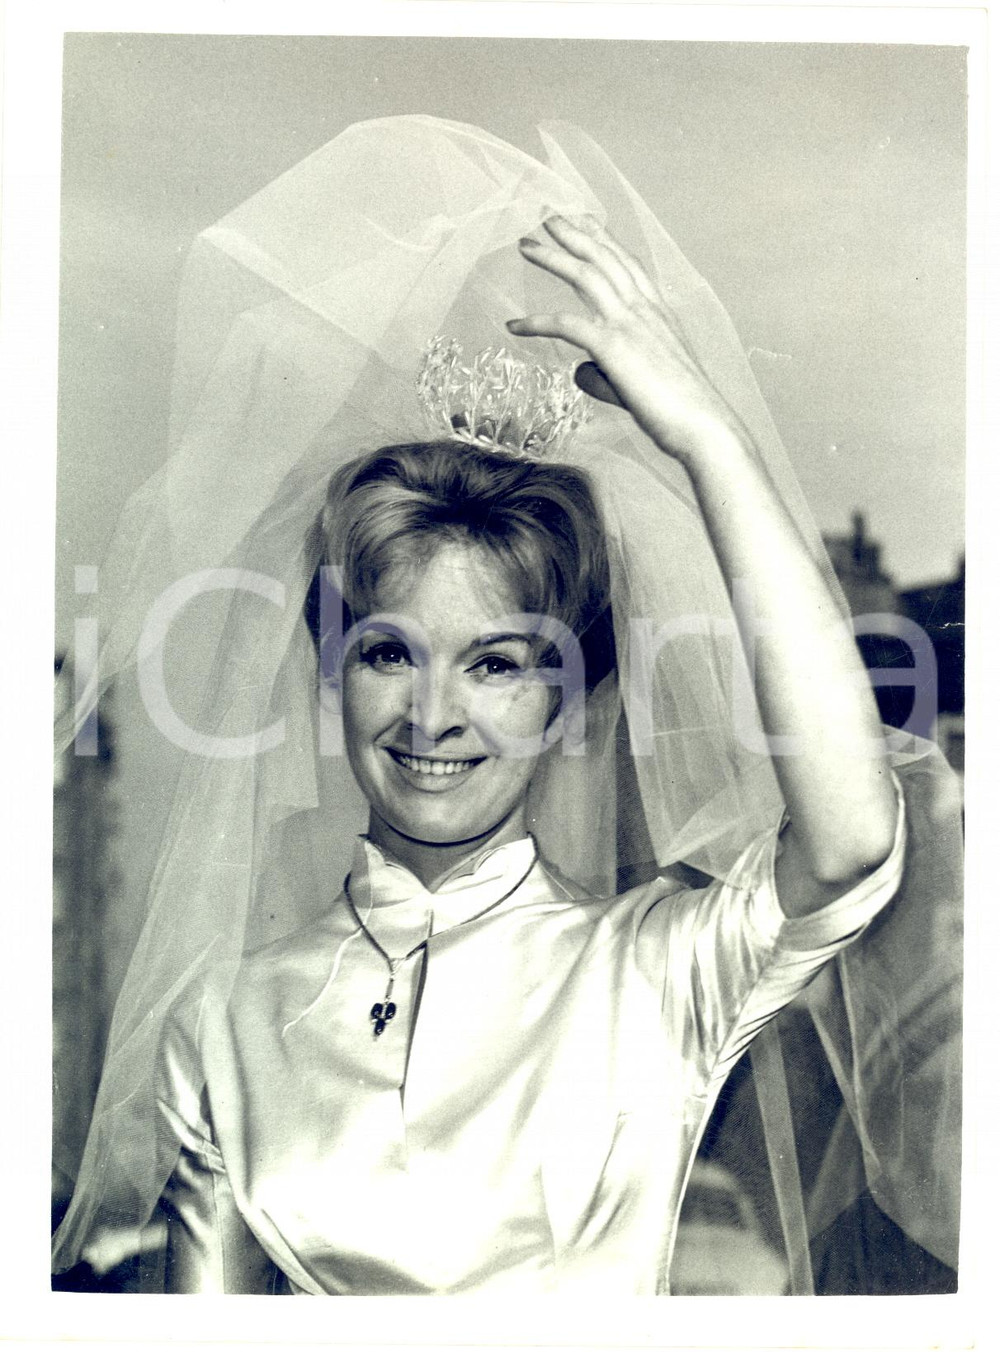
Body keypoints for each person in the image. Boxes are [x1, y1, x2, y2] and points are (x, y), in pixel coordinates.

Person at [52, 117, 962, 1295]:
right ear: (333, 670)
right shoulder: (221, 1023)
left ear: (568, 702)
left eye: (494, 663)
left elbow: (851, 837)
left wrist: (700, 433)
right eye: (390, 651)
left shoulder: (657, 972)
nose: (431, 714)